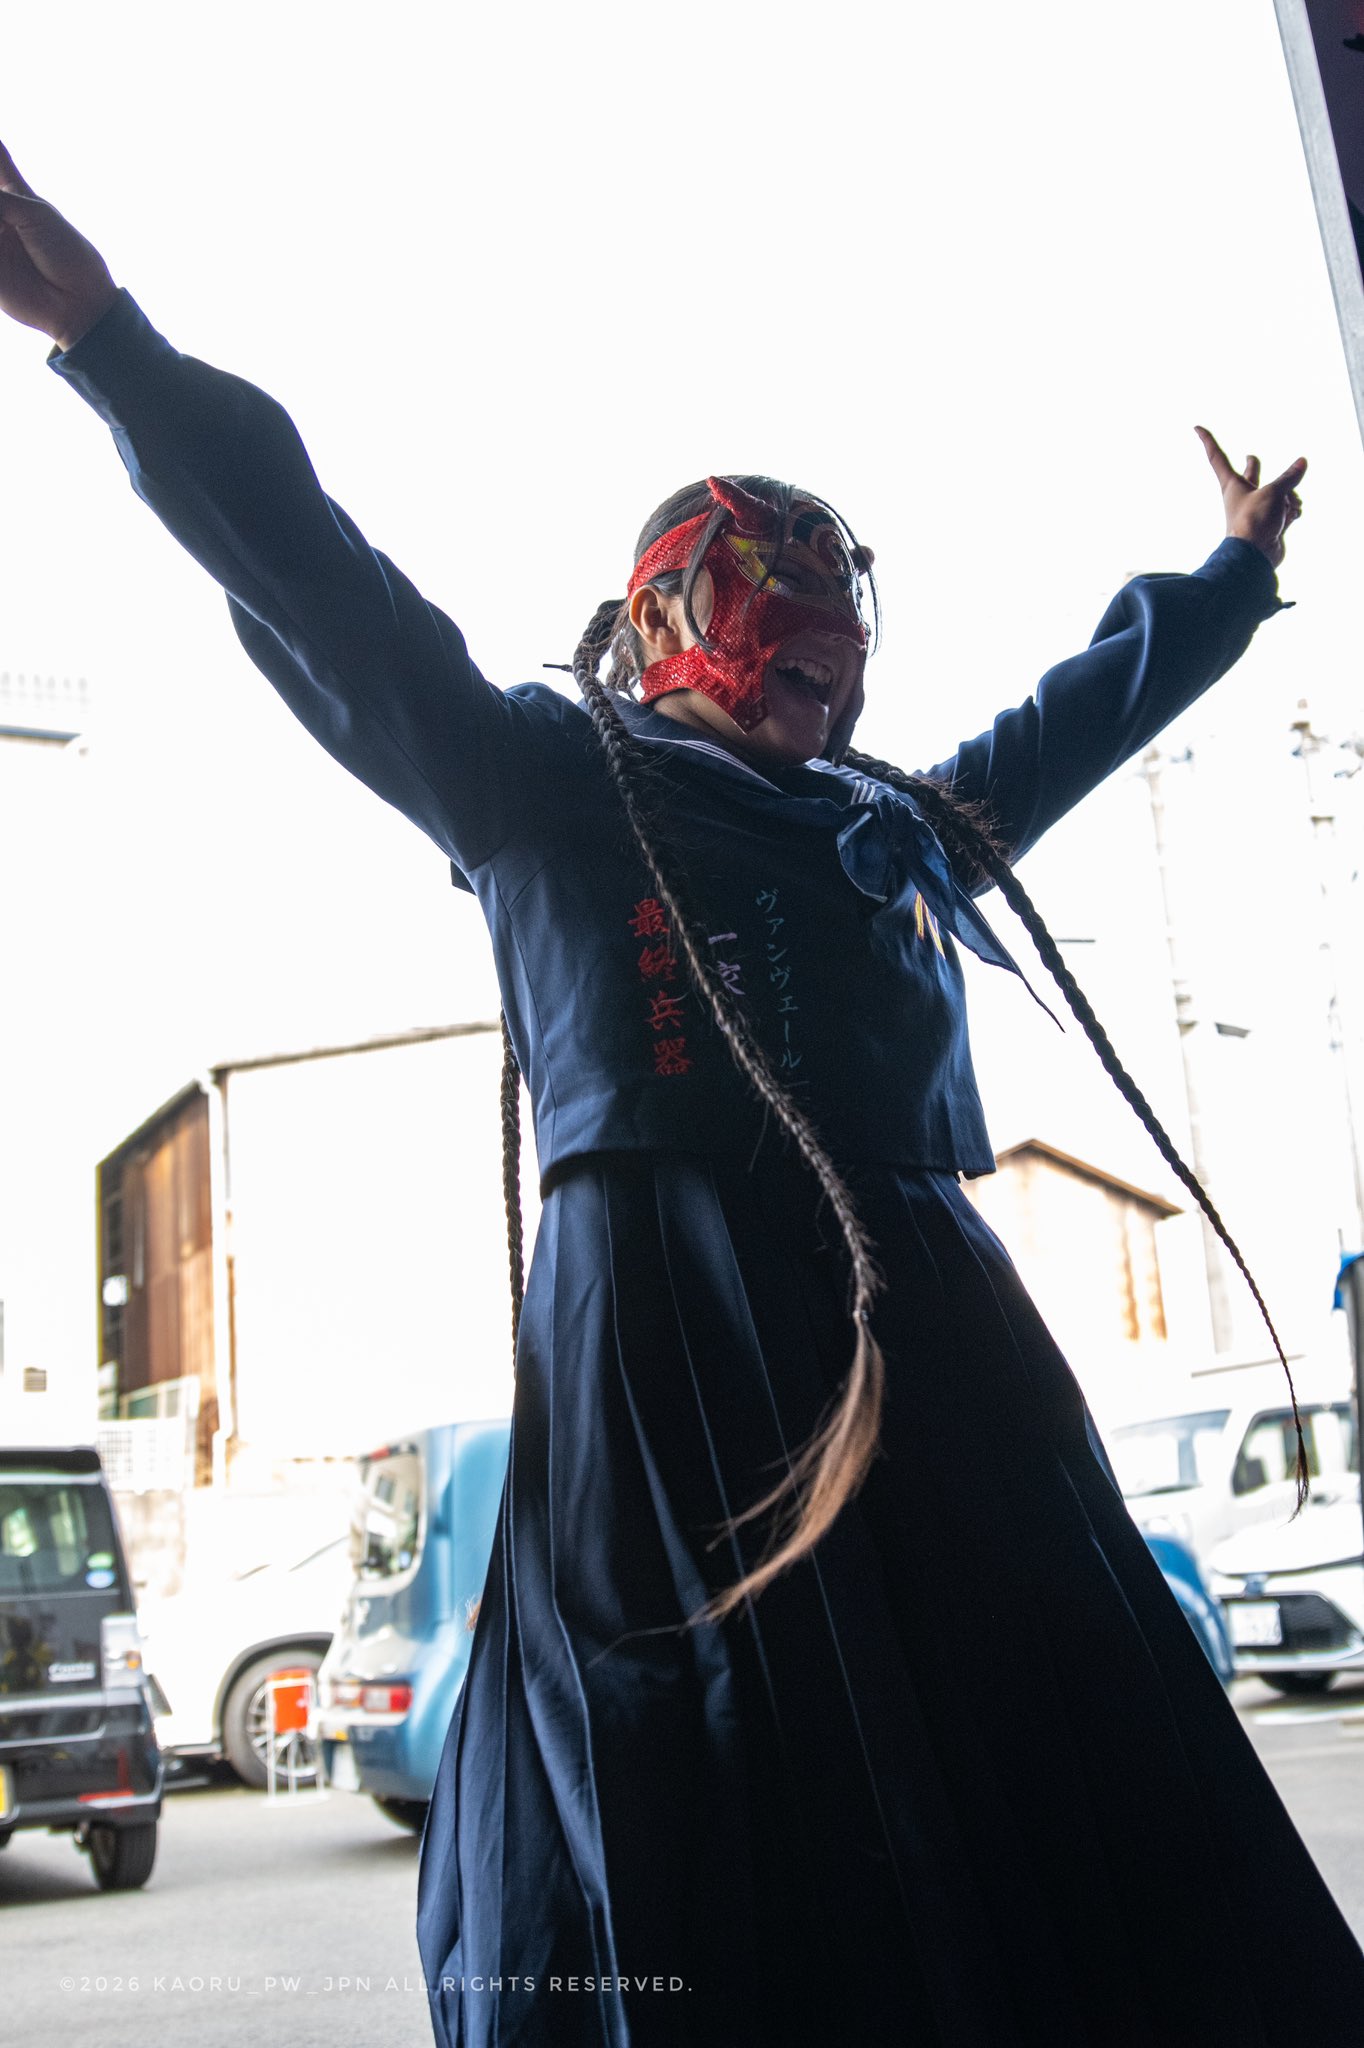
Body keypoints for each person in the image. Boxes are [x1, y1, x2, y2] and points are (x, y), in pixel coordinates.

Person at [3, 143, 1361, 2048]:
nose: (818, 638)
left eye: (833, 610)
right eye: (766, 592)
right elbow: (320, 580)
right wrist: (108, 340)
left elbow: (1077, 715)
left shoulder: (897, 822)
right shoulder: (542, 782)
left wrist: (1228, 581)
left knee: (1046, 1740)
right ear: (660, 623)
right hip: (667, 1340)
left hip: (936, 1334)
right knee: (695, 1768)